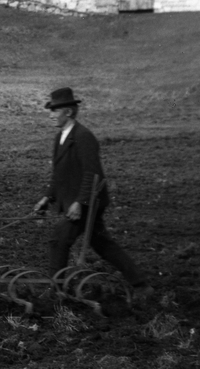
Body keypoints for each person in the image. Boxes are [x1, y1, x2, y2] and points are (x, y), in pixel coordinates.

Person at [33, 87, 153, 300]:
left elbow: (92, 174)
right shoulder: (60, 137)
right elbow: (59, 175)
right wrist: (47, 197)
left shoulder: (83, 136)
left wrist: (80, 203)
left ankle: (56, 290)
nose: (51, 115)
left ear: (68, 112)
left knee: (59, 239)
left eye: (54, 111)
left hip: (87, 203)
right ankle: (140, 284)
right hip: (77, 202)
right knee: (103, 244)